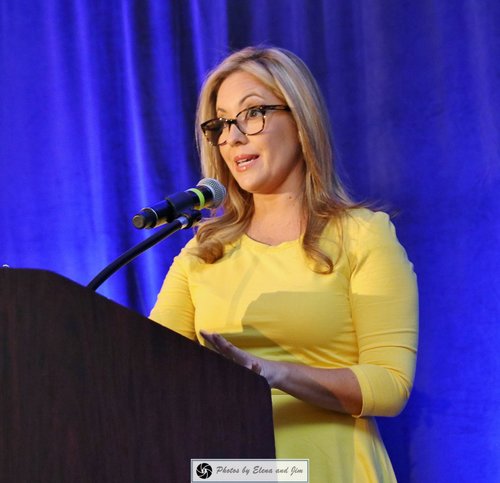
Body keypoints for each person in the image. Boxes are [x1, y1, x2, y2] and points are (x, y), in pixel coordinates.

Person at [150, 46, 418, 482]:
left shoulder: (362, 234)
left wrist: (272, 373)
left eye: (251, 113)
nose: (232, 137)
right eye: (219, 123)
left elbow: (389, 385)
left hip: (333, 469)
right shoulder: (203, 251)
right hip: (229, 472)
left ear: (300, 119)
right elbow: (145, 368)